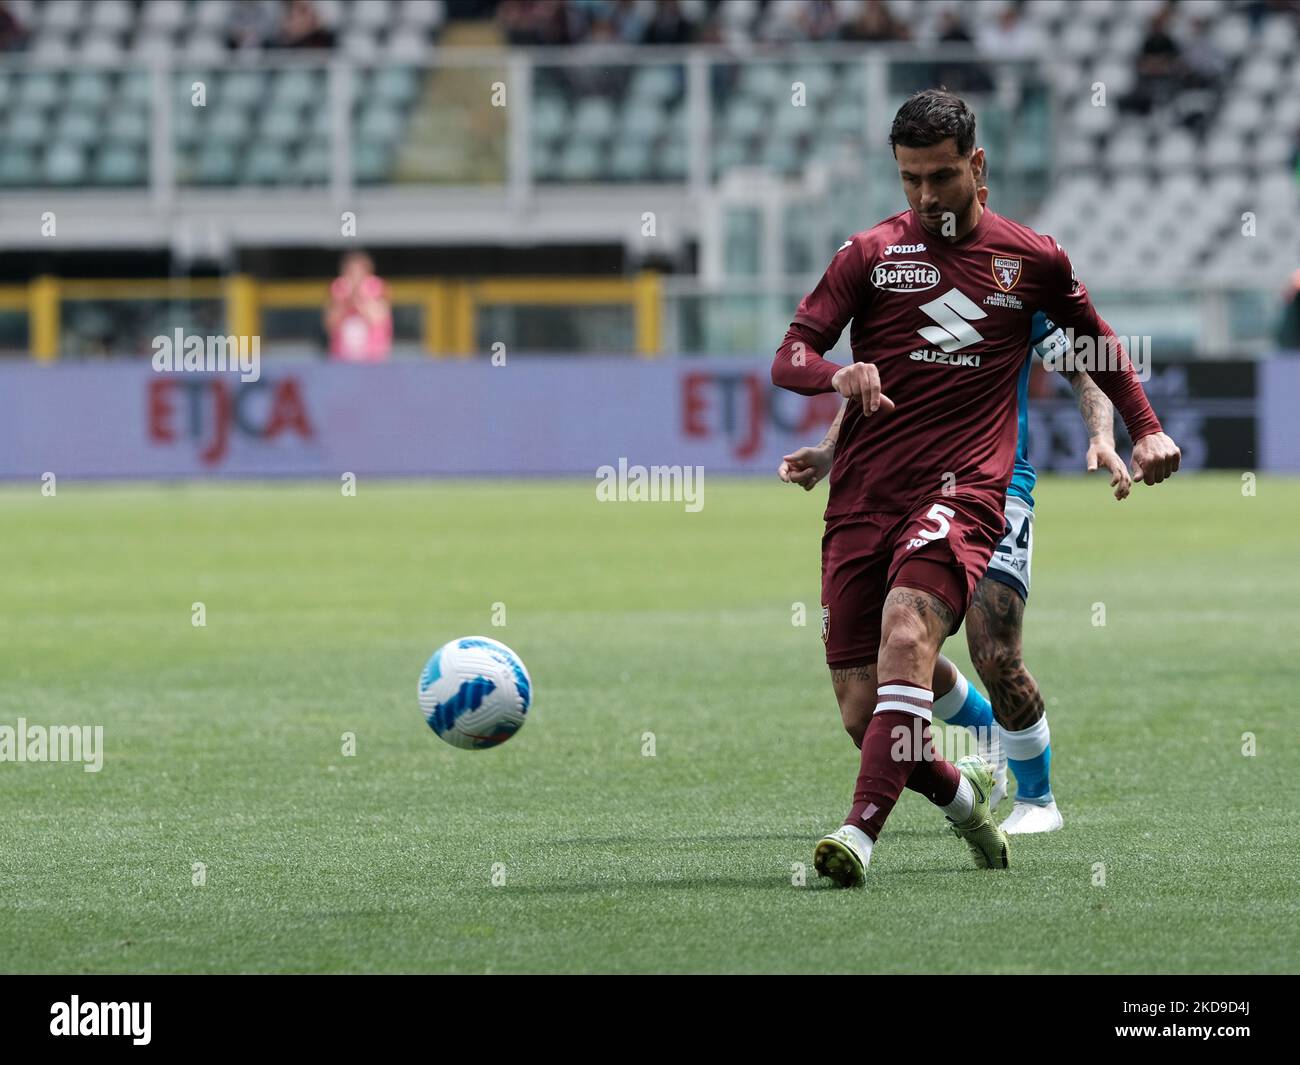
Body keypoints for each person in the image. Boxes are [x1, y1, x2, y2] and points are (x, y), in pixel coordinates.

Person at [770, 89, 1180, 886]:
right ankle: (962, 799)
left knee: (913, 635)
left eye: (942, 176)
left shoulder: (1031, 259)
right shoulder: (868, 255)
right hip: (862, 499)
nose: (927, 196)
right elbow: (789, 356)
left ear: (978, 165)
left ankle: (859, 834)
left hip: (967, 493)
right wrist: (832, 379)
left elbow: (1093, 346)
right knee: (866, 714)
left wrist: (1140, 425)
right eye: (910, 179)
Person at [325, 251, 392, 362]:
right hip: (342, 360)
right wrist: (344, 302)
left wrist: (359, 299)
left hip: (372, 360)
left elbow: (377, 318)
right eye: (349, 271)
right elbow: (330, 324)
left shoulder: (377, 291)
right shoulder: (338, 293)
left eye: (357, 271)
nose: (354, 276)